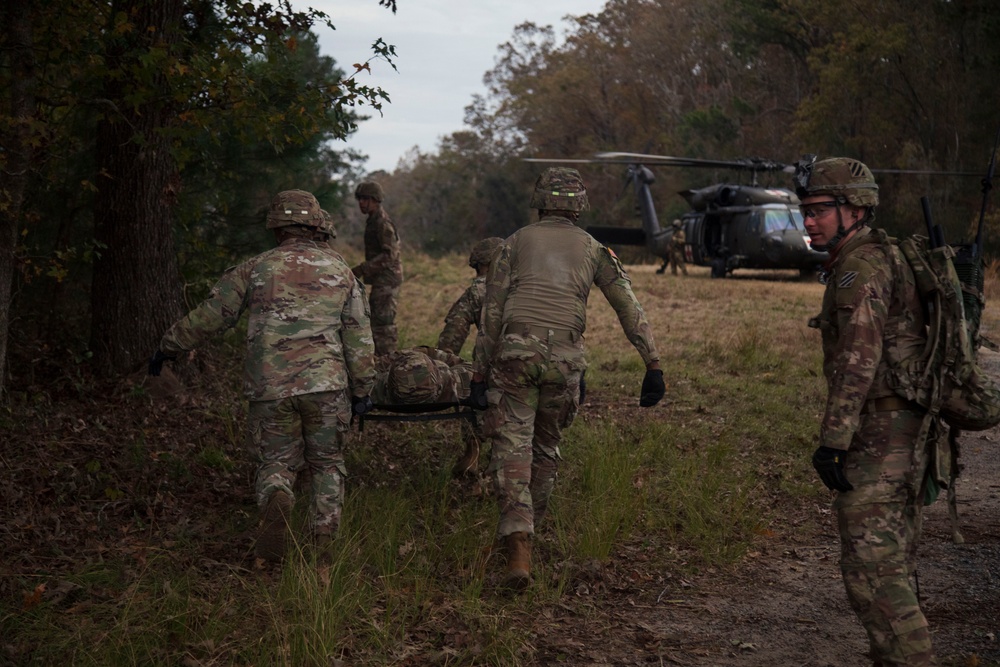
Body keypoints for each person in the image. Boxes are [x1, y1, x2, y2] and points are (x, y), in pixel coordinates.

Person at [148, 189, 376, 563]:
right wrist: (364, 389)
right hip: (326, 386)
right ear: (315, 226)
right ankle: (322, 546)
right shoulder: (341, 272)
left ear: (276, 229)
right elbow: (359, 336)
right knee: (327, 463)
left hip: (271, 386)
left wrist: (168, 347)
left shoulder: (255, 268)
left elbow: (212, 315)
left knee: (276, 461)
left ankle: (276, 494)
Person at [469, 167, 665, 591]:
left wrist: (479, 372)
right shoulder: (596, 250)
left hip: (516, 356)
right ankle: (529, 529)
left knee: (513, 448)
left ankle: (518, 542)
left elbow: (492, 313)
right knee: (545, 446)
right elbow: (627, 307)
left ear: (539, 202)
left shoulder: (514, 242)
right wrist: (652, 364)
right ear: (580, 206)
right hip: (565, 361)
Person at [796, 156, 936, 666]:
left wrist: (833, 440)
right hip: (908, 431)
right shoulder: (886, 256)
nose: (808, 221)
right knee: (891, 563)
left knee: (872, 573)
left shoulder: (861, 266)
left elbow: (859, 357)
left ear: (855, 208)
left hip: (882, 435)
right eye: (804, 211)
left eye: (818, 210)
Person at [352, 181, 403, 357]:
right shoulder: (373, 220)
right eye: (360, 198)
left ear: (375, 200)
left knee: (383, 325)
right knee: (376, 324)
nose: (361, 203)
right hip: (381, 279)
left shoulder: (382, 222)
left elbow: (391, 255)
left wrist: (362, 269)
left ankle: (389, 364)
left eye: (365, 199)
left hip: (387, 279)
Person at [437, 237, 505, 355]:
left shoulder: (476, 290)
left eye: (477, 270)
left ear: (483, 266)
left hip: (498, 367)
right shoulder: (534, 284)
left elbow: (450, 340)